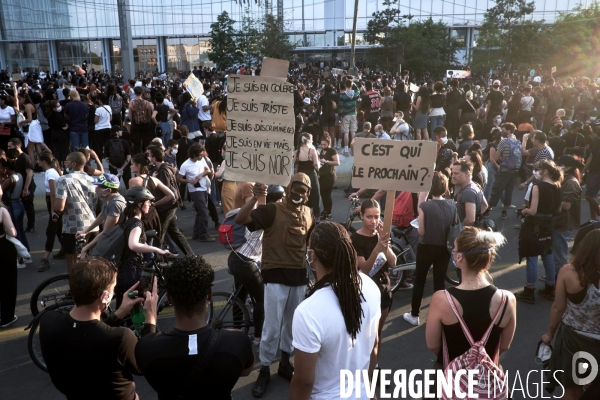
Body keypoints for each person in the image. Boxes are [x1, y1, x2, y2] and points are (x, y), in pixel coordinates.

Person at [235, 174, 315, 398]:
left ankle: (285, 363)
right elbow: (241, 220)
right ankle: (265, 369)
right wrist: (255, 198)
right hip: (275, 277)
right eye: (296, 189)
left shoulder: (309, 214)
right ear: (289, 190)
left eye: (304, 191)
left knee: (292, 325)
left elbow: (309, 242)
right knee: (271, 327)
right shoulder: (272, 210)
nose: (299, 194)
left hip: (299, 277)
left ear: (309, 194)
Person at [135, 255, 254, 399]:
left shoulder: (147, 349)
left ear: (170, 297)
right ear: (209, 294)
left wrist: (150, 316)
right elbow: (246, 371)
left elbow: (147, 340)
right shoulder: (238, 341)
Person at [290, 222, 381, 399]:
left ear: (313, 255)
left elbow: (304, 382)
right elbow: (374, 346)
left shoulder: (308, 311)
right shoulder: (370, 286)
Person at [39, 257, 147, 399]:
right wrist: (150, 321)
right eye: (113, 288)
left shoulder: (48, 321)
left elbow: (89, 334)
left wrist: (119, 314)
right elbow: (144, 367)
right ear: (105, 296)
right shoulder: (121, 338)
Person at [426, 227, 516, 375]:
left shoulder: (442, 299)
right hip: (487, 381)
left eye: (454, 249)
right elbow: (504, 345)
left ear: (459, 257)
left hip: (451, 380)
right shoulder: (507, 300)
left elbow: (433, 344)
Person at [542, 229, 600, 400]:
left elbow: (558, 307)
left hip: (573, 341)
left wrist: (549, 334)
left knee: (572, 389)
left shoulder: (568, 272)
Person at [228, 185, 285, 347]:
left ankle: (236, 330)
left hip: (236, 258)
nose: (282, 202)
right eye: (280, 199)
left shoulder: (261, 213)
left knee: (239, 297)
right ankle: (258, 337)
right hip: (246, 261)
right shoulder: (267, 214)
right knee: (261, 298)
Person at [404, 172, 455, 326]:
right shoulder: (452, 204)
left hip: (426, 247)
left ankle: (414, 315)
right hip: (444, 248)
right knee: (439, 282)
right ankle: (440, 315)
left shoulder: (425, 206)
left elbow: (421, 232)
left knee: (419, 281)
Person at [350, 199, 397, 367]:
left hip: (384, 290)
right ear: (361, 215)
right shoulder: (355, 239)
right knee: (364, 335)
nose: (373, 221)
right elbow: (366, 269)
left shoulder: (380, 235)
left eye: (377, 216)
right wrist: (377, 248)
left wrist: (385, 242)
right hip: (365, 294)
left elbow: (393, 263)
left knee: (377, 333)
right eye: (369, 216)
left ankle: (374, 366)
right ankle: (362, 367)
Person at [515, 159, 563, 304]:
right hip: (549, 223)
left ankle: (529, 290)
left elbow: (533, 210)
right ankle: (550, 286)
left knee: (532, 255)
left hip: (535, 224)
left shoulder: (537, 186)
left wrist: (524, 211)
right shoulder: (557, 186)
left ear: (545, 171)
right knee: (547, 253)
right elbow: (559, 209)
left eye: (537, 169)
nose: (535, 172)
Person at [116, 186, 171, 303]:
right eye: (148, 201)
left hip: (123, 269)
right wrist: (157, 250)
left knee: (123, 309)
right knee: (134, 309)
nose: (150, 204)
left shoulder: (127, 218)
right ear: (139, 204)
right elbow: (133, 245)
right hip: (131, 271)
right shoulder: (136, 223)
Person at [54, 151, 98, 273]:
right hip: (92, 226)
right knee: (90, 264)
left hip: (73, 227)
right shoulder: (92, 180)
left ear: (73, 164)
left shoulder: (63, 180)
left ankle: (75, 290)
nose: (65, 163)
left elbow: (59, 207)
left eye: (67, 161)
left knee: (73, 265)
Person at [148, 146, 193, 256]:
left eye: (149, 155)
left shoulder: (163, 171)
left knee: (159, 233)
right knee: (174, 232)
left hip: (166, 207)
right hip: (170, 206)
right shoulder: (165, 168)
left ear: (154, 158)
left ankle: (157, 261)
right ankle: (191, 256)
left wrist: (154, 203)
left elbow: (168, 194)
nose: (148, 157)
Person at [78, 173, 126, 258]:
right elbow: (102, 216)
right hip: (111, 237)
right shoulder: (107, 199)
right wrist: (86, 231)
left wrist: (86, 248)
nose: (96, 189)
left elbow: (106, 231)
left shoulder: (115, 203)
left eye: (100, 187)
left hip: (117, 240)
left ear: (109, 190)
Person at [177, 143, 214, 242]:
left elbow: (208, 170)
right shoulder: (185, 165)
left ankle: (196, 233)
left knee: (200, 212)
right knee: (204, 212)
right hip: (195, 190)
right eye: (200, 155)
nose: (202, 156)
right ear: (194, 155)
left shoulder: (201, 160)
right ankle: (203, 234)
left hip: (203, 188)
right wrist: (189, 181)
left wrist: (200, 175)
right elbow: (179, 179)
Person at [488, 122, 520, 220]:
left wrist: (502, 157)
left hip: (505, 169)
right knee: (509, 191)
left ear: (508, 131)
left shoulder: (504, 142)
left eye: (503, 129)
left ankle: (487, 210)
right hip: (515, 169)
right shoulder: (517, 141)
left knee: (496, 189)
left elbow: (496, 157)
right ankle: (504, 212)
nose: (501, 131)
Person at [37, 152, 62, 272]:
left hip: (54, 202)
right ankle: (65, 249)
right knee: (59, 228)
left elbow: (53, 193)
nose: (37, 162)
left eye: (38, 160)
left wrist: (53, 211)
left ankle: (45, 258)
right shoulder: (50, 172)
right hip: (51, 201)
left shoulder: (51, 173)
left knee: (51, 230)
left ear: (44, 161)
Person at [7, 138, 35, 233]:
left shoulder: (24, 158)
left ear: (17, 146)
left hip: (27, 186)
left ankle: (31, 226)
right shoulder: (16, 157)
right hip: (20, 185)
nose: (8, 148)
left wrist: (26, 188)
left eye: (10, 146)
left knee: (28, 206)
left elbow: (29, 173)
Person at [0, 191, 18, 328]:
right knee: (8, 284)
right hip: (3, 248)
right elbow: (12, 232)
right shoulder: (2, 210)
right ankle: (6, 317)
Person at [293, 133, 321, 220]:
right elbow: (316, 165)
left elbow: (294, 163)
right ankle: (317, 217)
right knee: (315, 194)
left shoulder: (297, 151)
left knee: (302, 194)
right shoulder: (312, 150)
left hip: (301, 175)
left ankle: (303, 214)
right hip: (311, 175)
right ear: (308, 140)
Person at [452, 160, 487, 226]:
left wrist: (459, 228)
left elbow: (470, 220)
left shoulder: (468, 192)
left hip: (466, 233)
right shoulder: (475, 185)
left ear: (467, 173)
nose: (453, 176)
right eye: (452, 173)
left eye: (456, 173)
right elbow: (485, 205)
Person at [318, 133, 339, 220]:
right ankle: (325, 210)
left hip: (330, 175)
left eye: (324, 144)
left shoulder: (332, 151)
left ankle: (328, 212)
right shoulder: (322, 151)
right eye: (322, 144)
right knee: (323, 194)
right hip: (322, 175)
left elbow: (337, 162)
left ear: (328, 143)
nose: (323, 146)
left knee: (327, 195)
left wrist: (326, 161)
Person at [129, 86, 154, 154]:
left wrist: (133, 123)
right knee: (146, 143)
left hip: (135, 125)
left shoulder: (131, 103)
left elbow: (130, 116)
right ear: (142, 93)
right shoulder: (147, 103)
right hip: (145, 125)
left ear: (134, 92)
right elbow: (149, 114)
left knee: (136, 144)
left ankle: (137, 158)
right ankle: (146, 157)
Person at [338, 79, 359, 156]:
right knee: (353, 132)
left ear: (345, 85)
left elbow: (340, 107)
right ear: (351, 85)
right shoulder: (355, 93)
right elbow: (358, 90)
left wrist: (340, 116)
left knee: (346, 132)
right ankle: (353, 149)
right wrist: (354, 84)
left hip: (345, 115)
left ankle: (346, 149)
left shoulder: (342, 95)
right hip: (353, 114)